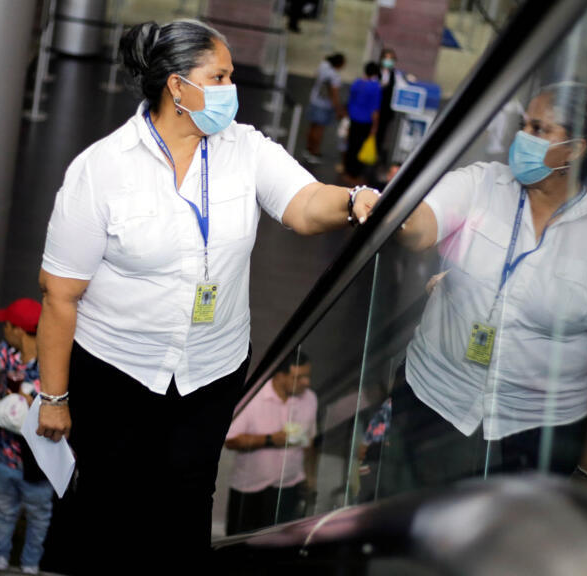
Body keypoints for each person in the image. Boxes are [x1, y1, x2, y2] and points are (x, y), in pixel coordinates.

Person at [34, 19, 380, 571]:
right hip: (118, 370)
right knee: (107, 501)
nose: (230, 88)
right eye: (218, 76)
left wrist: (354, 199)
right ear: (177, 86)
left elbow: (304, 202)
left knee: (189, 499)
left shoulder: (244, 148)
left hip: (210, 371)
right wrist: (54, 398)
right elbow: (59, 294)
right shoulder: (102, 169)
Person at [393, 82, 587, 490]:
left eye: (538, 128)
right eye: (522, 124)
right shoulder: (482, 185)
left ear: (575, 149)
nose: (522, 137)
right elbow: (422, 226)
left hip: (534, 437)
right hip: (434, 405)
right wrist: (394, 209)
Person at [0, 298, 52, 575]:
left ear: (17, 329)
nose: (3, 328)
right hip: (5, 455)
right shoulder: (8, 351)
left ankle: (30, 565)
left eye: (7, 324)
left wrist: (31, 401)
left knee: (38, 517)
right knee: (3, 512)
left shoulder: (53, 362)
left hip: (37, 464)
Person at [224, 352, 317, 535]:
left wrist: (310, 476)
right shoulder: (253, 396)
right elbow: (230, 440)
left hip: (290, 486)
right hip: (250, 489)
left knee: (279, 546)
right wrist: (269, 440)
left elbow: (310, 440)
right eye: (299, 378)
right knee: (240, 545)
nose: (306, 383)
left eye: (308, 376)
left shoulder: (310, 399)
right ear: (280, 376)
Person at [343, 62, 383, 186]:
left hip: (353, 119)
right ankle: (355, 175)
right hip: (365, 122)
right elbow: (375, 110)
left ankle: (347, 172)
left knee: (351, 146)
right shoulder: (376, 87)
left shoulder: (356, 83)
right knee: (359, 147)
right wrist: (375, 126)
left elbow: (350, 100)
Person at [304, 53, 345, 165]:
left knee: (312, 127)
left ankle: (308, 149)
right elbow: (334, 94)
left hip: (314, 100)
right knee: (319, 130)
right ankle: (314, 152)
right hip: (323, 105)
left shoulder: (323, 66)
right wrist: (338, 109)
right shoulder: (335, 76)